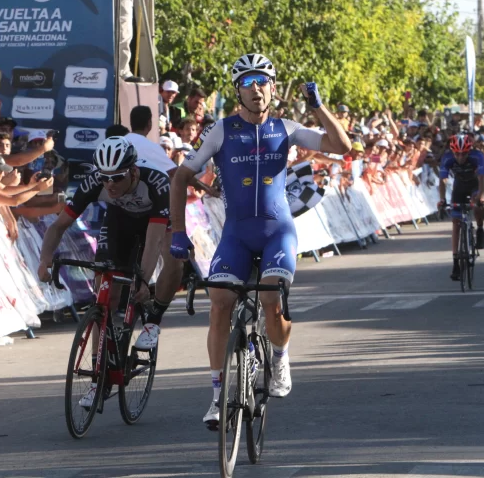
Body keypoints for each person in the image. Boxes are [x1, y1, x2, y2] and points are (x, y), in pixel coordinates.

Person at [168, 53, 351, 428]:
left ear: (272, 88)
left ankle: (281, 358)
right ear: (238, 90)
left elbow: (342, 146)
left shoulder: (286, 127)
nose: (256, 89)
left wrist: (318, 107)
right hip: (236, 233)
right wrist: (177, 232)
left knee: (270, 299)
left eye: (262, 82)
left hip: (276, 231)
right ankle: (218, 397)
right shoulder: (220, 130)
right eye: (248, 83)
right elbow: (179, 177)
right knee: (218, 304)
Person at [37, 137, 171, 405]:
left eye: (117, 177)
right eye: (105, 178)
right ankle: (100, 375)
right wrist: (45, 260)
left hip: (153, 224)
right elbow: (57, 226)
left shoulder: (156, 184)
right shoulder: (96, 183)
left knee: (173, 258)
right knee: (105, 294)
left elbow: (154, 240)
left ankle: (153, 318)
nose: (110, 184)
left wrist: (143, 281)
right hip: (119, 222)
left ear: (133, 171)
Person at [438, 134, 484, 281]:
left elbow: (482, 179)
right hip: (459, 187)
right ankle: (455, 263)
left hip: (475, 186)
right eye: (457, 154)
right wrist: (442, 199)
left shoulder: (477, 156)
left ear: (469, 151)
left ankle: (479, 228)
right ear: (452, 152)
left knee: (477, 204)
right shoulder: (447, 158)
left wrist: (481, 197)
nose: (460, 157)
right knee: (456, 223)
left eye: (464, 154)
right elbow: (443, 181)